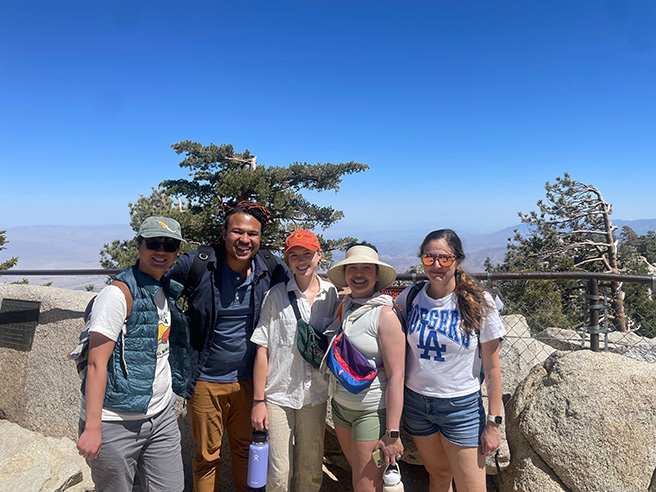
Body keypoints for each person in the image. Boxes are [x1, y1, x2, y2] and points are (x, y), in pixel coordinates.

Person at [168, 200, 287, 492]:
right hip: (205, 382)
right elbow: (159, 293)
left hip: (249, 382)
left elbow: (301, 291)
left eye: (253, 234)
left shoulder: (270, 268)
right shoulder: (198, 264)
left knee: (248, 453)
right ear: (224, 233)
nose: (245, 240)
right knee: (207, 458)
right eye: (237, 232)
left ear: (260, 238)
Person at [76, 216, 189, 492]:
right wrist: (92, 429)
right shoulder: (117, 296)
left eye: (170, 245)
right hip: (115, 421)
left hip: (160, 416)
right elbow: (96, 364)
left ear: (177, 253)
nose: (161, 251)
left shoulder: (164, 289)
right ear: (139, 245)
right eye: (153, 243)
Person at [397, 229, 505, 492]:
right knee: (439, 475)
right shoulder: (410, 297)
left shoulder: (479, 303)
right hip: (417, 404)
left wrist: (493, 423)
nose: (436, 265)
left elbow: (492, 368)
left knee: (472, 487)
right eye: (429, 258)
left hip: (461, 408)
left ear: (457, 260)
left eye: (444, 259)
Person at [250, 230, 338, 492]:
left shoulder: (330, 294)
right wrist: (258, 401)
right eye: (294, 255)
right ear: (287, 260)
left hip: (316, 395)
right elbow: (262, 349)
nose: (301, 261)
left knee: (311, 469)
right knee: (278, 472)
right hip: (278, 394)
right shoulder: (276, 295)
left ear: (319, 256)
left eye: (307, 254)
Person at [325, 243, 406, 492]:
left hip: (370, 412)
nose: (359, 274)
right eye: (353, 268)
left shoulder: (385, 314)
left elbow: (396, 376)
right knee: (364, 480)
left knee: (363, 485)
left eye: (366, 268)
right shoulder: (345, 306)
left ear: (376, 274)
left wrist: (392, 433)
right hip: (341, 407)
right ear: (346, 273)